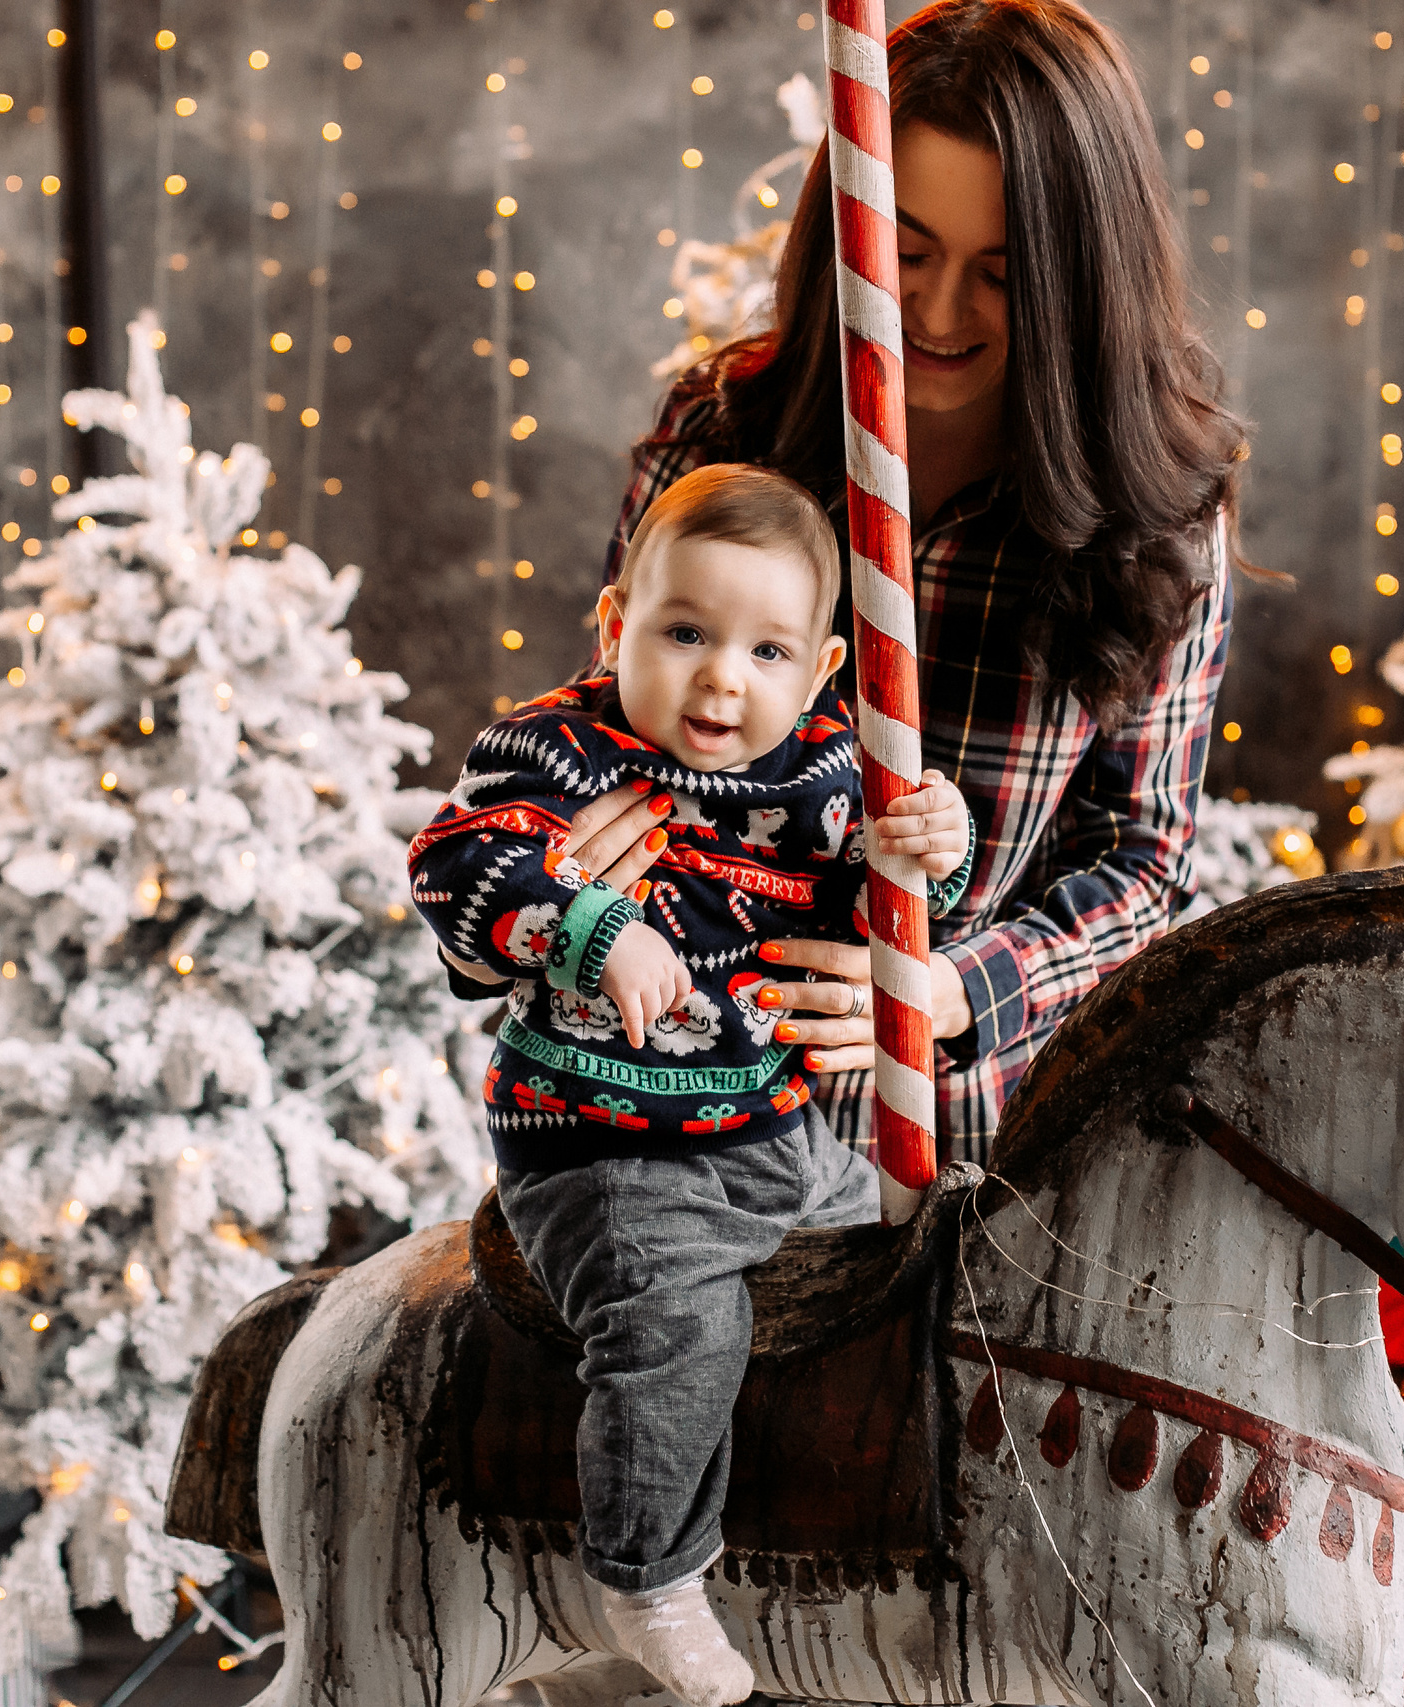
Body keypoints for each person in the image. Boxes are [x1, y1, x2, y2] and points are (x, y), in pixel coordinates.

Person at [539, 0, 1248, 1166]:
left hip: (981, 1149)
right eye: (905, 254)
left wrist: (953, 989)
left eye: (1001, 275)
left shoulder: (1159, 518)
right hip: (687, 1113)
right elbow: (618, 725)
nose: (937, 310)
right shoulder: (722, 438)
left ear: (1080, 279)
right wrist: (563, 868)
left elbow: (1138, 861)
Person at [408, 463, 971, 1707]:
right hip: (601, 1142)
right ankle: (649, 1576)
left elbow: (884, 910)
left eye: (766, 652)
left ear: (821, 672)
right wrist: (586, 926)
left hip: (770, 1130)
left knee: (924, 1249)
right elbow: (452, 865)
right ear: (616, 623)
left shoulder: (826, 770)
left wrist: (928, 847)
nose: (723, 679)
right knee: (676, 1325)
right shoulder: (556, 748)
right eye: (684, 634)